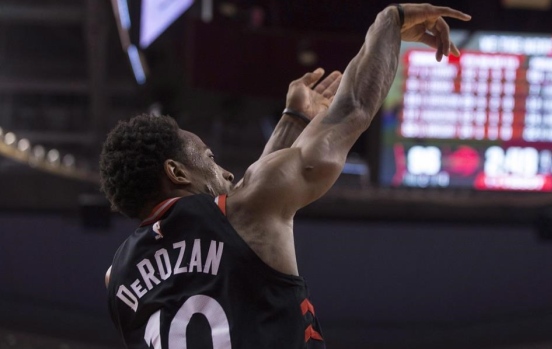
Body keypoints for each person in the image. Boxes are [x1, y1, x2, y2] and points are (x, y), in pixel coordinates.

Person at [101, 3, 470, 348]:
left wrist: (293, 121)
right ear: (176, 171)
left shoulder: (116, 279)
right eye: (209, 159)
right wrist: (391, 20)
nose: (227, 172)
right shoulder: (246, 211)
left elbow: (240, 236)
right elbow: (352, 110)